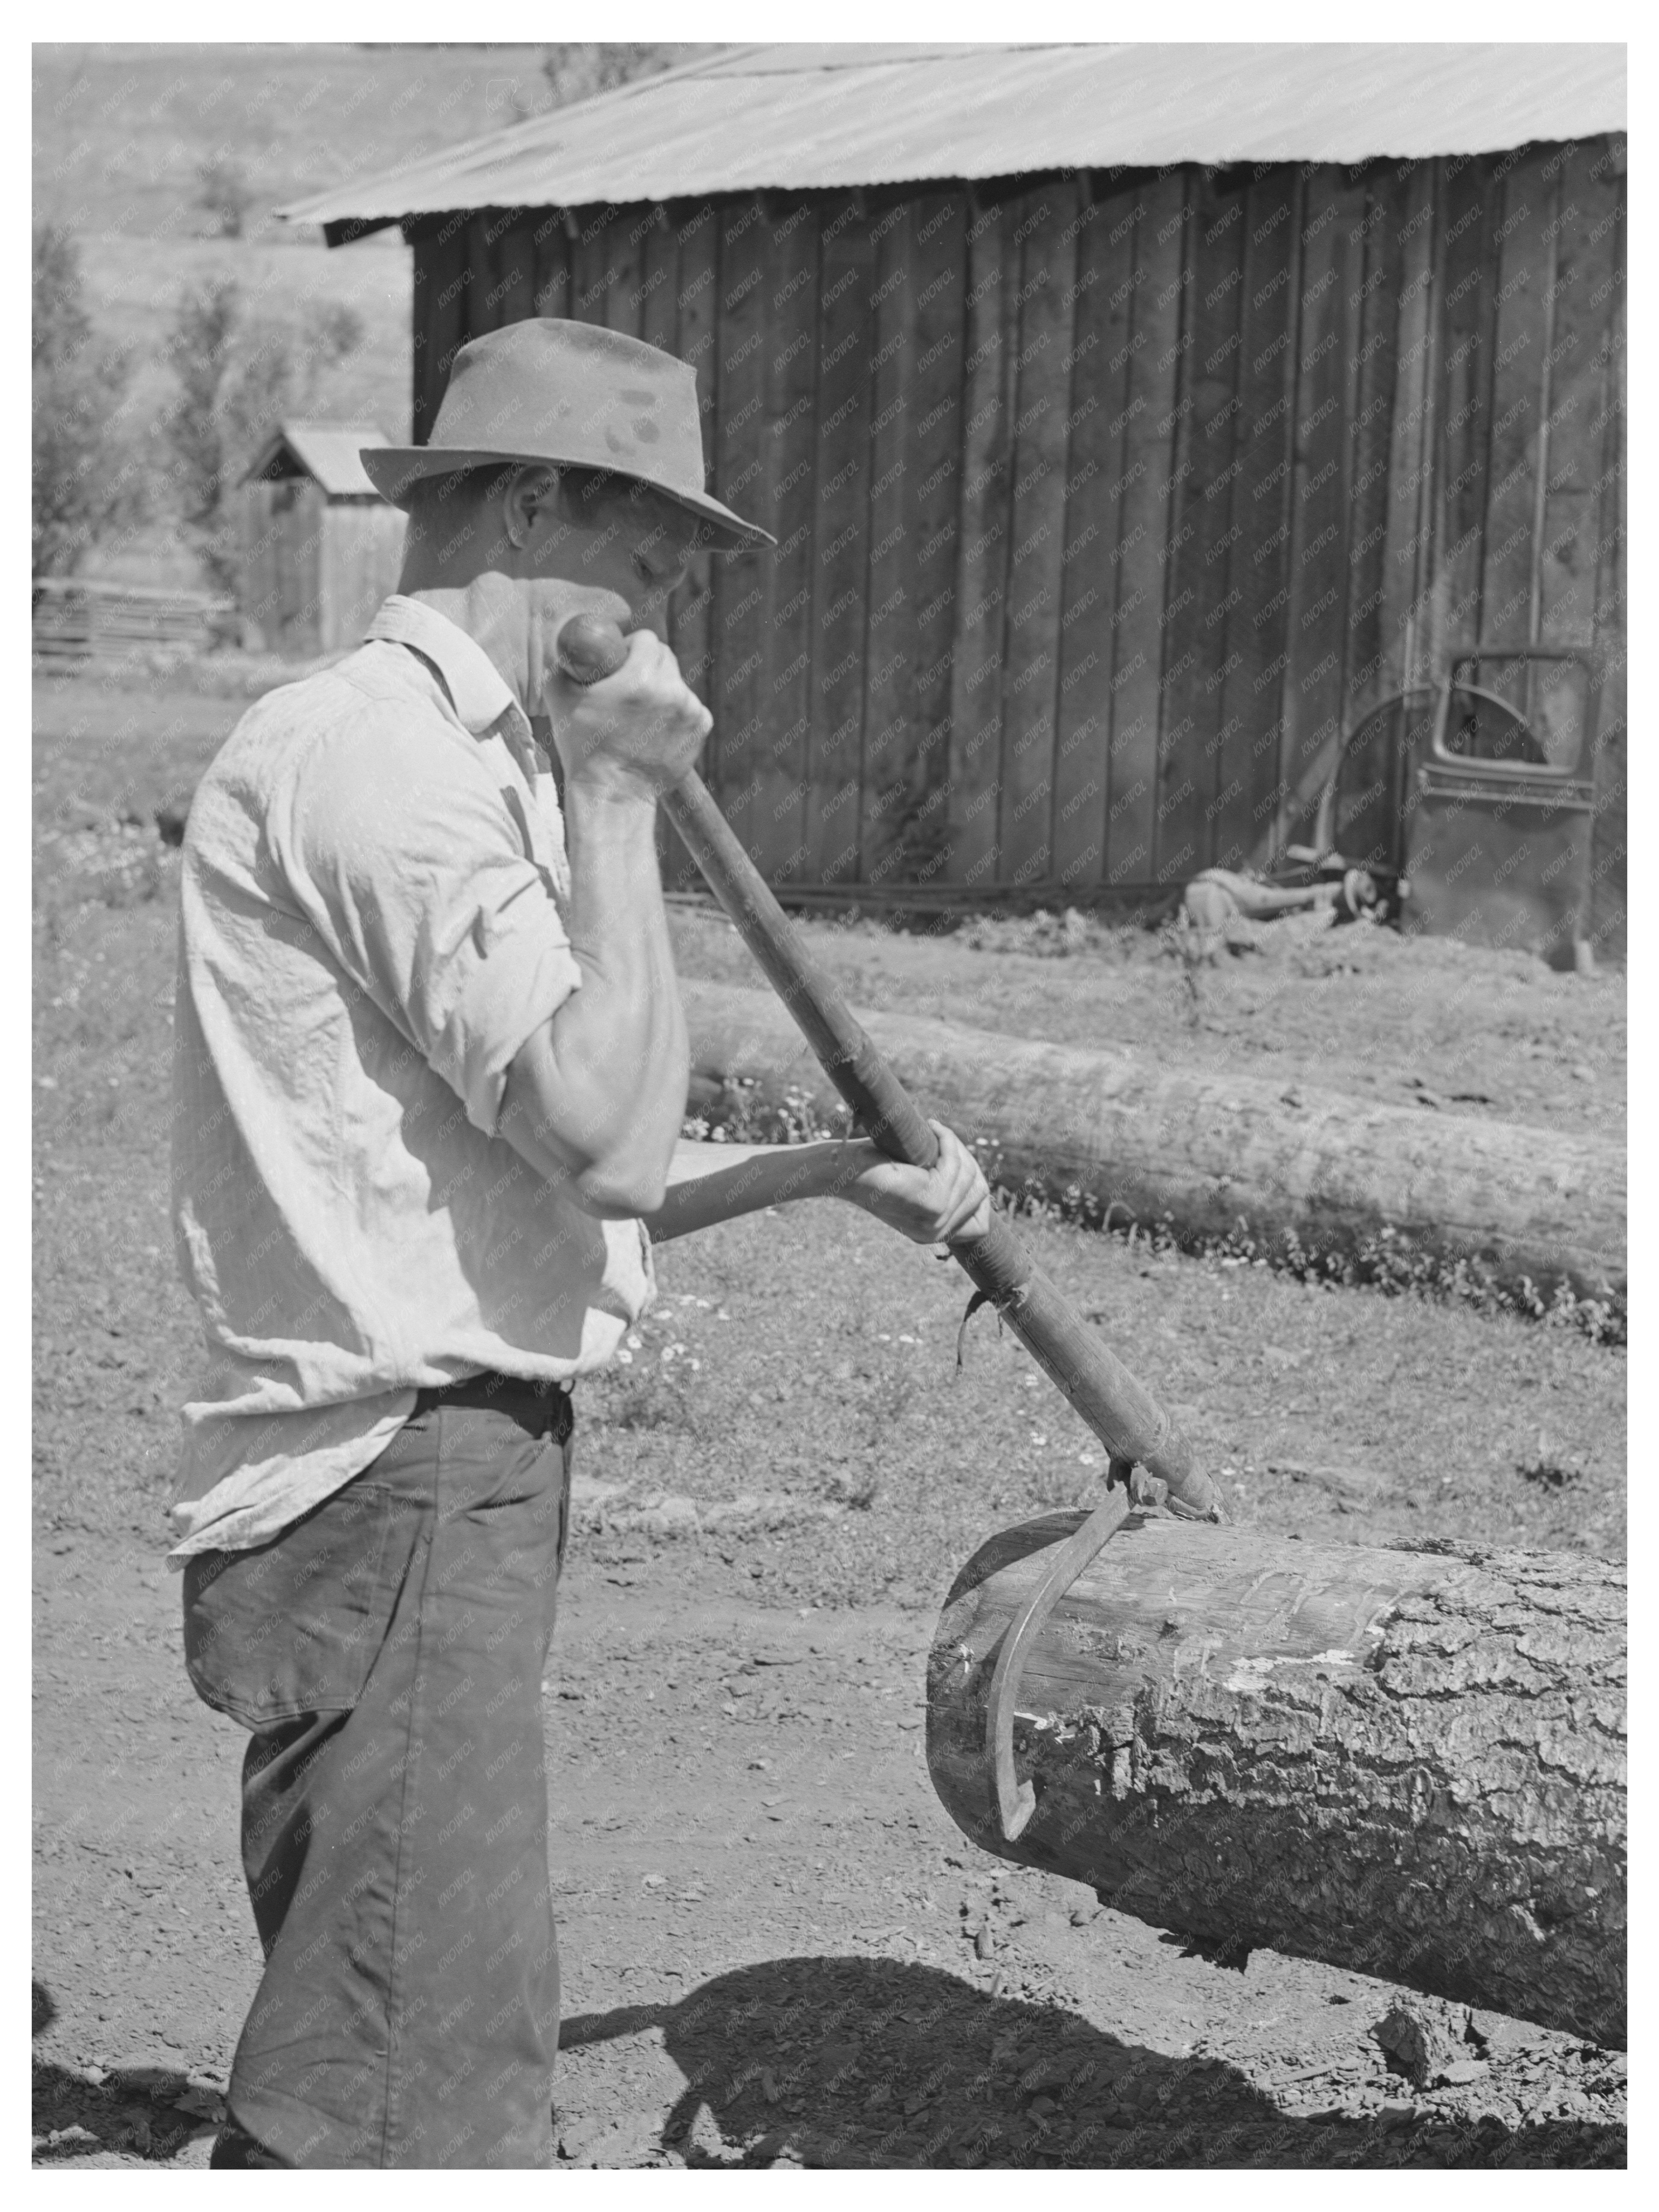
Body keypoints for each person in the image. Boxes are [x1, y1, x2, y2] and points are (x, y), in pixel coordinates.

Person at [169, 319, 990, 2169]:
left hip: (418, 1485)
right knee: (414, 2104)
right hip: (407, 1482)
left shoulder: (443, 762)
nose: (664, 615)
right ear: (528, 507)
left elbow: (536, 1150)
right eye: (642, 562)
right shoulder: (391, 766)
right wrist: (621, 797)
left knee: (385, 2025)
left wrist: (827, 1175)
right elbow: (603, 1133)